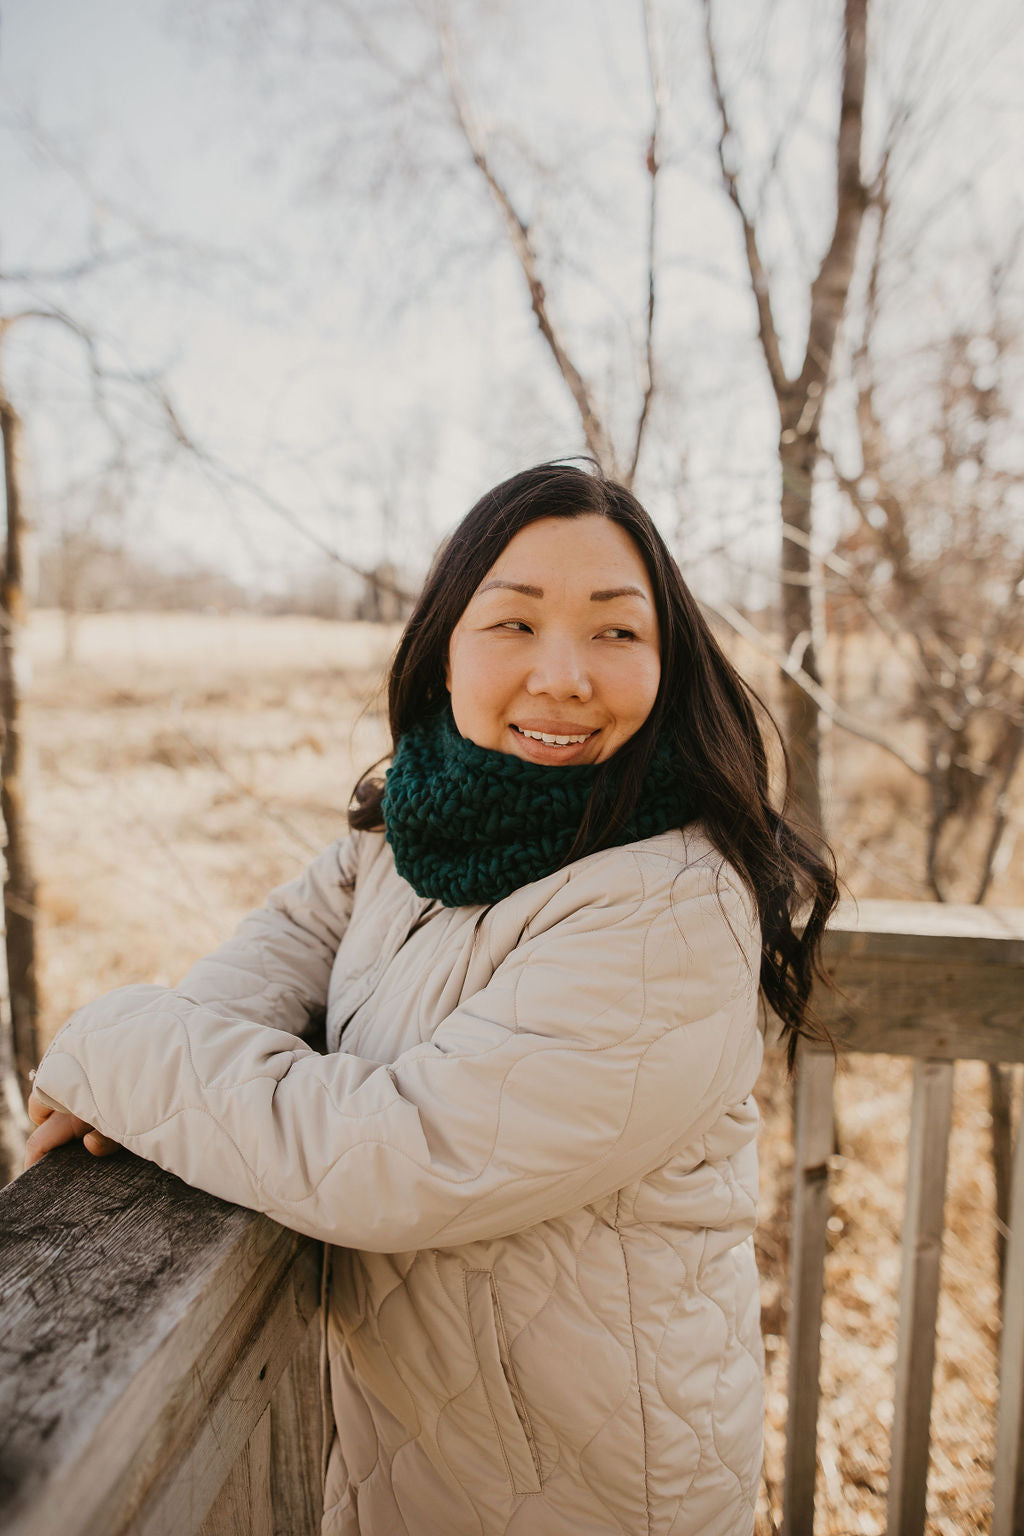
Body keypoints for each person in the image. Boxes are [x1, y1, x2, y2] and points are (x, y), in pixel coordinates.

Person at [26, 462, 837, 1536]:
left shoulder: (673, 905)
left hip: (585, 1493)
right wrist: (169, 1065)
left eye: (613, 632)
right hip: (405, 1462)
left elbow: (403, 1155)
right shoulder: (418, 824)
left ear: (668, 659)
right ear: (444, 644)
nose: (563, 675)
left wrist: (123, 1048)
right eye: (512, 624)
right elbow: (287, 942)